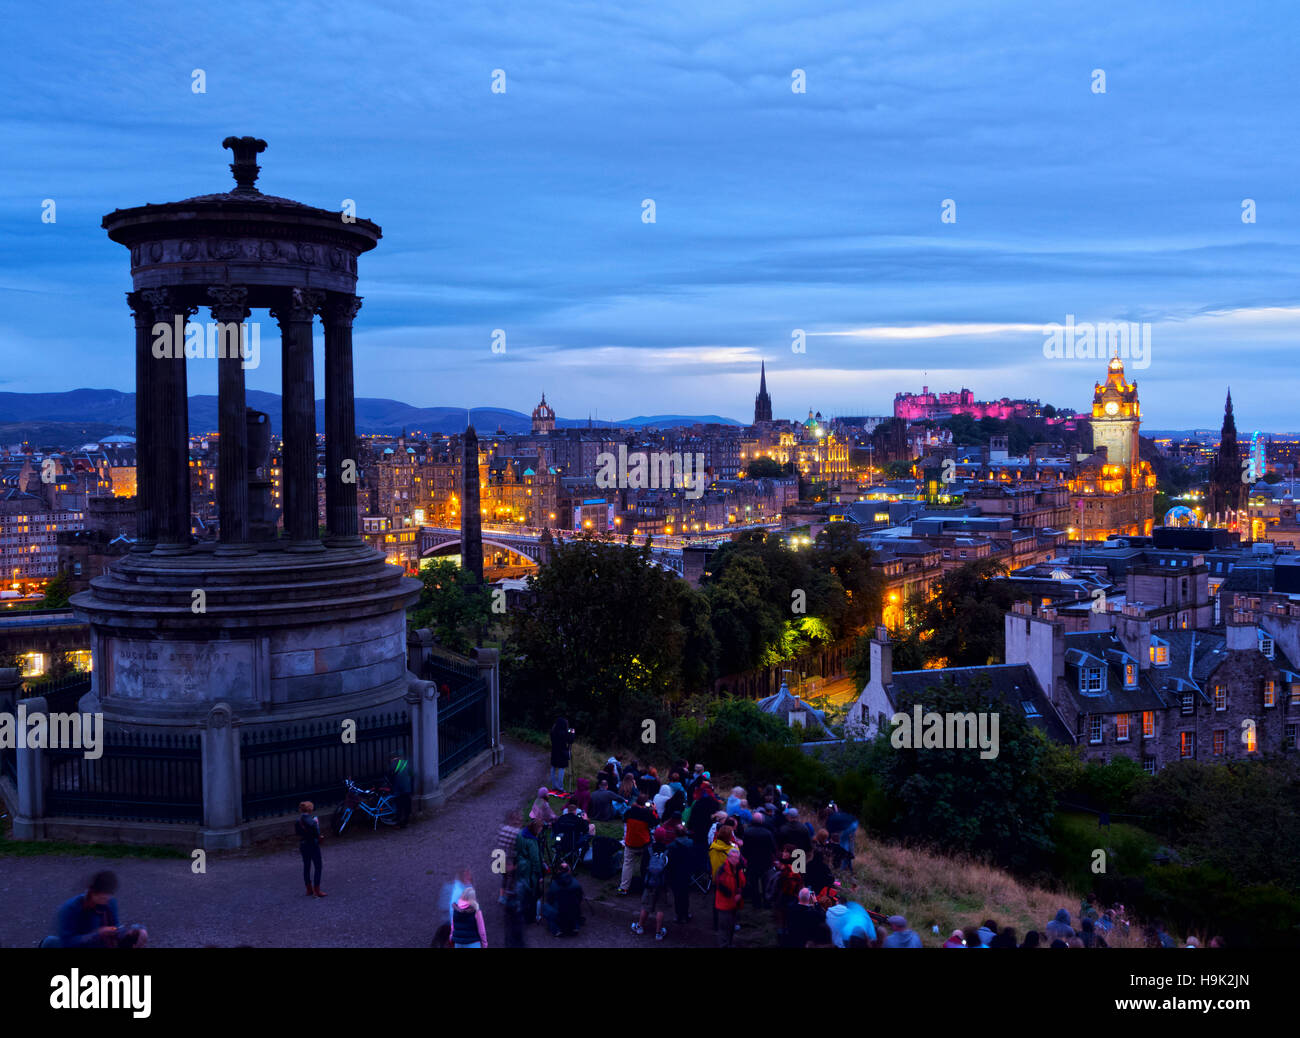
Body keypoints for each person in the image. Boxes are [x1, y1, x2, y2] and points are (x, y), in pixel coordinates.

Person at [54, 871, 148, 949]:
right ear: (92, 892)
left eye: (108, 897)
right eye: (102, 898)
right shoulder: (70, 909)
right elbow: (67, 942)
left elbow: (116, 928)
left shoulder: (109, 902)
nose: (106, 902)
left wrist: (135, 930)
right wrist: (98, 934)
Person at [633, 837, 670, 940]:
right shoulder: (667, 851)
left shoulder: (649, 850)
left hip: (650, 883)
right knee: (660, 908)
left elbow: (643, 867)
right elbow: (670, 869)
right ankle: (658, 932)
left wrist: (644, 881)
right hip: (662, 884)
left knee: (646, 906)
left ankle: (639, 927)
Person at [618, 794, 656, 894]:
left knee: (627, 863)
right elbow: (655, 823)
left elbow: (624, 820)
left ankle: (623, 887)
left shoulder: (629, 812)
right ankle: (646, 885)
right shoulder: (647, 813)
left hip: (630, 842)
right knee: (646, 862)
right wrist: (654, 811)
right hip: (644, 844)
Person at [740, 811, 776, 909]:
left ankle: (756, 903)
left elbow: (744, 849)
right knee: (766, 883)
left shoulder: (747, 832)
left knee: (754, 883)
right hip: (766, 862)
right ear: (762, 821)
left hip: (752, 862)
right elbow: (773, 848)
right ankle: (766, 902)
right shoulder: (768, 833)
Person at [663, 820, 695, 925]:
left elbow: (668, 862)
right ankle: (685, 914)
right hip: (686, 873)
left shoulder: (671, 846)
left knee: (677, 895)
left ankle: (679, 915)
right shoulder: (691, 844)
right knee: (685, 895)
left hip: (675, 874)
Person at [515, 819, 545, 925]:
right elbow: (535, 860)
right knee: (533, 893)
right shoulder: (532, 842)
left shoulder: (520, 834)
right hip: (529, 869)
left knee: (521, 890)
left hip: (520, 866)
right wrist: (539, 874)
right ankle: (531, 916)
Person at [714, 848, 745, 947]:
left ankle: (729, 944)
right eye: (734, 858)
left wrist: (740, 894)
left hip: (734, 904)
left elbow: (743, 883)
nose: (736, 860)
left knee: (731, 927)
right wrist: (733, 896)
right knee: (724, 928)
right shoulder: (723, 870)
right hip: (724, 904)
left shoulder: (739, 869)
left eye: (737, 858)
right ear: (729, 858)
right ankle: (724, 945)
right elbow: (721, 886)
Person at [543, 862, 585, 936]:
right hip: (573, 912)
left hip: (559, 913)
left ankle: (556, 930)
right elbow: (579, 899)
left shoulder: (554, 884)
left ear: (558, 871)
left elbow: (549, 899)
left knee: (545, 906)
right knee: (574, 906)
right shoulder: (576, 883)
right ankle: (575, 926)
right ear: (569, 871)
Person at [295, 801, 326, 897]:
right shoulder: (313, 822)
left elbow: (298, 833)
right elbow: (317, 834)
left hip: (303, 844)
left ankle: (309, 889)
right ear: (310, 809)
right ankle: (317, 890)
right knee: (318, 867)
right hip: (313, 844)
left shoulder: (298, 821)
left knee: (306, 866)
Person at [552, 799, 592, 866]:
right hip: (574, 844)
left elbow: (555, 830)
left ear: (567, 811)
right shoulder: (578, 820)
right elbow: (585, 830)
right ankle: (582, 855)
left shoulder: (561, 819)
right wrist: (585, 820)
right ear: (575, 811)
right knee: (588, 835)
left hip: (561, 843)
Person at [548, 717, 575, 792]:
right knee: (561, 769)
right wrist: (572, 733)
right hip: (562, 753)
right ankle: (560, 787)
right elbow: (571, 741)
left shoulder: (553, 731)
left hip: (554, 752)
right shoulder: (564, 733)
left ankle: (554, 786)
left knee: (553, 768)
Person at [387, 754, 412, 828]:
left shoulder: (391, 765)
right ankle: (406, 821)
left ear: (391, 759)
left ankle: (399, 822)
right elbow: (412, 774)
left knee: (399, 806)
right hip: (407, 788)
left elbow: (389, 778)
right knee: (407, 804)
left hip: (398, 789)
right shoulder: (406, 763)